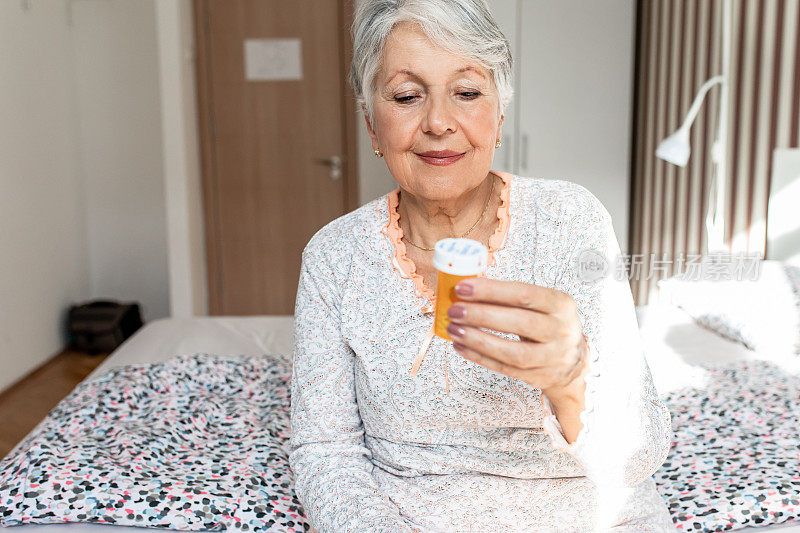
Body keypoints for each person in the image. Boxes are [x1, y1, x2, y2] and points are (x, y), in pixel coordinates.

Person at [288, 1, 675, 531]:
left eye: (467, 93)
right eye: (406, 96)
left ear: (498, 116)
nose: (439, 123)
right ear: (372, 126)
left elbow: (639, 458)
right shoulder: (334, 257)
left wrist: (572, 381)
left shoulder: (572, 220)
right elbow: (326, 453)